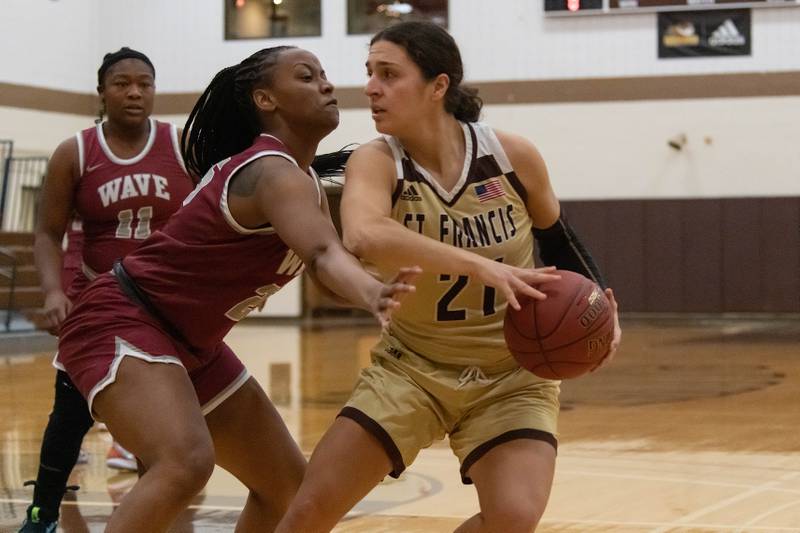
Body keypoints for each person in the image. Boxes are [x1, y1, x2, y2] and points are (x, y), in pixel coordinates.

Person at [274, 21, 622, 533]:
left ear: (439, 86)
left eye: (389, 74)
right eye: (369, 73)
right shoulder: (377, 161)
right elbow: (364, 234)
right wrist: (478, 264)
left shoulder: (510, 156)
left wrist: (604, 316)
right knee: (307, 513)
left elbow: (560, 240)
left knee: (512, 517)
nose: (371, 86)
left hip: (511, 376)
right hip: (412, 368)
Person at [54, 45, 416, 533]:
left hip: (191, 342)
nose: (327, 85)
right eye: (307, 77)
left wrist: (374, 281)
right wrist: (373, 293)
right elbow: (325, 257)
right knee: (185, 463)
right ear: (265, 99)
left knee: (285, 486)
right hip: (124, 317)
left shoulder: (301, 179)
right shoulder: (268, 170)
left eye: (326, 75)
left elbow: (324, 270)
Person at [21, 47, 195, 533]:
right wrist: (54, 292)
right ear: (102, 92)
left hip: (163, 306)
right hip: (98, 300)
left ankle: (154, 516)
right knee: (70, 414)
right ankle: (42, 513)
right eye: (122, 83)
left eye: (145, 82)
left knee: (161, 423)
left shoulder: (181, 145)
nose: (135, 92)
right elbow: (45, 232)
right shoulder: (75, 152)